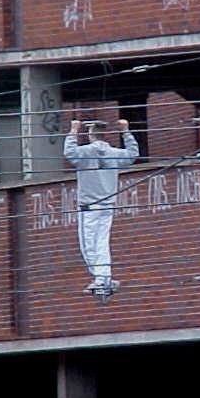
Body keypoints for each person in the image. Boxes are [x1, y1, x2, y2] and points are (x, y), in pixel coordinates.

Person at [64, 118, 139, 294]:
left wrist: (73, 130)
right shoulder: (114, 153)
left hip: (89, 205)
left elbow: (69, 153)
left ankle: (101, 279)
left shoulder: (85, 152)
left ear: (90, 134)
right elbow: (133, 153)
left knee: (88, 245)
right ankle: (104, 277)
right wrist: (126, 131)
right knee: (102, 242)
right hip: (108, 205)